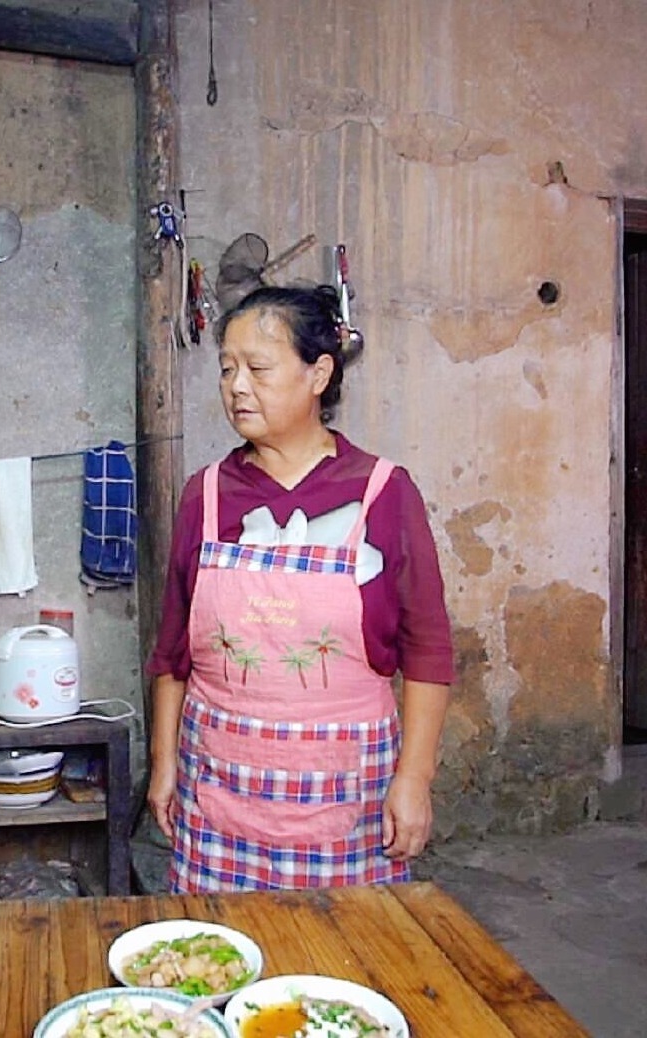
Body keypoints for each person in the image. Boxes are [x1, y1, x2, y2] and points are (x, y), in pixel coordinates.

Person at [145, 283, 454, 892]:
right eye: (227, 369)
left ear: (319, 375)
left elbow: (428, 652)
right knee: (217, 965)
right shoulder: (205, 497)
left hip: (349, 797)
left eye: (258, 369)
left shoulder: (382, 493)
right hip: (219, 797)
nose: (236, 386)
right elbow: (172, 653)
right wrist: (163, 765)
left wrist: (414, 780)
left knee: (342, 974)